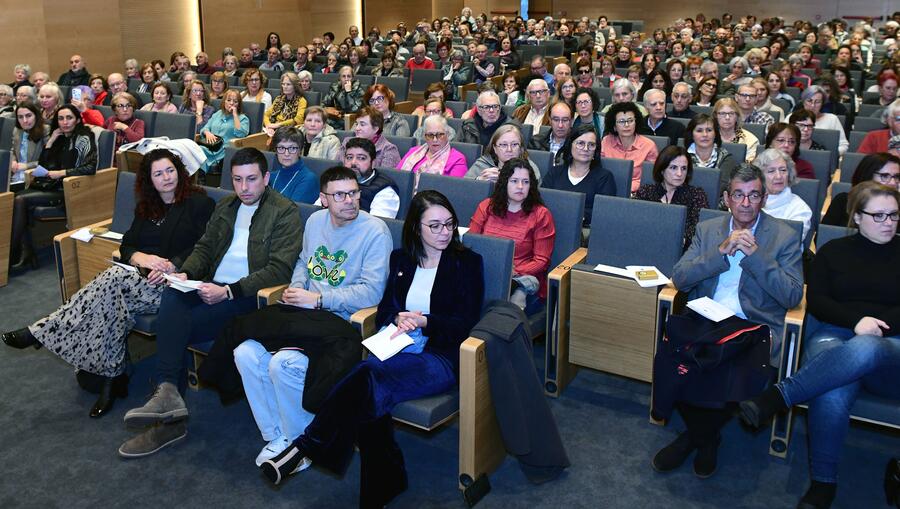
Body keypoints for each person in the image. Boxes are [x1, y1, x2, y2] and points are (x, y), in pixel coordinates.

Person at [260, 189, 483, 508]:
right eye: (434, 226)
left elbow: (466, 322)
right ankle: (384, 485)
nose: (444, 232)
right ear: (416, 227)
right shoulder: (402, 259)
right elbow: (385, 311)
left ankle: (306, 446)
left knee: (365, 376)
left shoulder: (467, 263)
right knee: (369, 397)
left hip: (439, 357)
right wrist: (399, 317)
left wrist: (425, 321)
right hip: (397, 348)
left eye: (449, 224)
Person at [118, 148, 303, 458]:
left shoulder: (284, 211)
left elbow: (279, 269)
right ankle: (168, 395)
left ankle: (169, 415)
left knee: (174, 326)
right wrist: (187, 273)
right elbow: (204, 248)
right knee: (173, 295)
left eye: (252, 179)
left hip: (246, 297)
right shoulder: (227, 205)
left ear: (266, 178)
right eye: (237, 180)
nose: (244, 187)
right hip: (210, 285)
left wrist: (228, 291)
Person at [2, 149, 214, 417]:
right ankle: (111, 379)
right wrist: (141, 257)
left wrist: (172, 265)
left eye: (170, 170)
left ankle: (42, 331)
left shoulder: (199, 203)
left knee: (112, 279)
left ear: (180, 172)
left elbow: (204, 247)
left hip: (176, 285)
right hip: (138, 281)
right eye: (158, 173)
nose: (166, 177)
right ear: (149, 180)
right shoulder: (147, 207)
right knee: (111, 301)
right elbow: (127, 245)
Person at [739, 181, 900, 509]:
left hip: (891, 346)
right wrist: (856, 321)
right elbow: (819, 301)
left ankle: (780, 395)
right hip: (836, 332)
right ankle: (823, 482)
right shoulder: (833, 251)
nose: (889, 222)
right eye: (879, 215)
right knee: (831, 391)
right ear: (857, 217)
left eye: (894, 215)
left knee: (868, 347)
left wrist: (877, 326)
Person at [228, 164, 391, 469]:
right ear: (324, 199)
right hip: (302, 314)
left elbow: (372, 293)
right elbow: (304, 261)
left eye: (353, 193)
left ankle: (301, 445)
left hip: (341, 324)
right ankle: (276, 435)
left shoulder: (374, 231)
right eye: (339, 195)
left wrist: (318, 300)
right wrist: (296, 288)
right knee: (245, 352)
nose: (349, 200)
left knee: (282, 363)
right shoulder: (316, 221)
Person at [652, 163, 803, 479]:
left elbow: (791, 295)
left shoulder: (784, 236)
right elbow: (680, 278)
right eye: (738, 195)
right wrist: (719, 254)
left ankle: (695, 439)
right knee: (671, 358)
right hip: (706, 317)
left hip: (753, 326)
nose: (746, 203)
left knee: (726, 369)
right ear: (726, 198)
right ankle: (706, 437)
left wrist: (756, 256)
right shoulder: (709, 230)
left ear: (763, 199)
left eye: (754, 195)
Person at [10, 104, 97, 271]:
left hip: (68, 189)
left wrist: (61, 173)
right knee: (16, 199)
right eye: (61, 118)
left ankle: (16, 253)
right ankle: (24, 252)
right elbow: (43, 164)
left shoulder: (84, 137)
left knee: (19, 200)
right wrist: (50, 141)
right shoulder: (59, 137)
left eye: (69, 118)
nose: (65, 122)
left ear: (77, 120)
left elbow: (90, 167)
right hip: (51, 185)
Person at [469, 157, 555, 311]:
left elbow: (541, 261)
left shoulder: (541, 214)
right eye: (514, 181)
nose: (520, 186)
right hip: (487, 269)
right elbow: (471, 244)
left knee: (525, 284)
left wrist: (512, 271)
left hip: (523, 274)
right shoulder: (486, 207)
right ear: (504, 183)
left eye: (526, 182)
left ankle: (516, 292)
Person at [542, 123, 617, 227]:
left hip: (585, 230)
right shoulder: (554, 173)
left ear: (596, 150)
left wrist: (574, 216)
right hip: (550, 225)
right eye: (580, 143)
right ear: (570, 145)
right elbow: (541, 203)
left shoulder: (604, 178)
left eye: (591, 145)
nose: (586, 149)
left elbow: (604, 212)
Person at [635, 145, 709, 250]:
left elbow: (700, 231)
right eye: (673, 168)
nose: (679, 174)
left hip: (684, 252)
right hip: (645, 248)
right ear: (662, 169)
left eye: (684, 168)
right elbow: (635, 225)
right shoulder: (646, 193)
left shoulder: (696, 195)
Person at [823, 152, 900, 227]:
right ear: (868, 175)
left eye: (896, 177)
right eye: (885, 176)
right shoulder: (843, 201)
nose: (893, 183)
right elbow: (824, 234)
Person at [756, 148, 813, 240]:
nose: (779, 176)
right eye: (771, 171)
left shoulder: (800, 209)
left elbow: (788, 243)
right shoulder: (748, 201)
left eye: (783, 170)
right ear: (759, 176)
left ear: (789, 174)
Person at [600, 102, 658, 193]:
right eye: (621, 121)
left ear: (636, 123)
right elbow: (600, 170)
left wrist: (629, 188)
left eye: (630, 121)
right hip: (608, 190)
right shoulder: (606, 141)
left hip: (638, 193)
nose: (627, 125)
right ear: (614, 126)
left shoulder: (649, 146)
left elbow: (651, 177)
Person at [398, 114, 467, 184]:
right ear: (425, 136)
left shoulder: (457, 159)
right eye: (430, 135)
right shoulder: (413, 151)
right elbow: (397, 176)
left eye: (440, 135)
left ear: (447, 134)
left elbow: (454, 187)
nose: (435, 140)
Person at [341, 137, 400, 218]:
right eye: (349, 157)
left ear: (373, 163)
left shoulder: (384, 190)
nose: (353, 163)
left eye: (361, 158)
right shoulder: (337, 180)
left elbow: (376, 224)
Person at [684, 113, 737, 195]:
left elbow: (722, 188)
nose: (705, 135)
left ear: (715, 133)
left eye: (709, 130)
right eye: (699, 130)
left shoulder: (726, 158)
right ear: (692, 134)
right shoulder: (682, 157)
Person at [466, 124, 539, 182]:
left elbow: (534, 193)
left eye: (514, 144)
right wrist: (479, 180)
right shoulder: (483, 164)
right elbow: (464, 187)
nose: (509, 149)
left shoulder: (530, 167)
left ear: (521, 148)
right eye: (504, 145)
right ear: (495, 148)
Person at [199, 89, 250, 174]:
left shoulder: (243, 118)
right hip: (209, 147)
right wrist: (207, 133)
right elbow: (205, 128)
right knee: (196, 151)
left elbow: (241, 134)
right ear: (224, 102)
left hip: (224, 151)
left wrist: (235, 115)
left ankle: (202, 175)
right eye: (229, 100)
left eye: (235, 101)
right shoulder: (218, 114)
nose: (231, 103)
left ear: (239, 104)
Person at [787, 85, 849, 154]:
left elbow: (843, 145)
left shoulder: (832, 119)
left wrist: (828, 155)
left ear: (822, 104)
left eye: (817, 102)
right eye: (809, 101)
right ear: (803, 102)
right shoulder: (791, 117)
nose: (813, 105)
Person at [266, 127, 318, 203]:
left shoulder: (309, 179)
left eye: (292, 148)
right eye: (281, 148)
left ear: (300, 150)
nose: (286, 154)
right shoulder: (271, 176)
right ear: (276, 150)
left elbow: (292, 209)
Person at [457, 90, 524, 146]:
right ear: (479, 110)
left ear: (500, 108)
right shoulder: (468, 126)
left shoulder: (511, 128)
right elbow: (456, 149)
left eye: (495, 106)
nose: (491, 110)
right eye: (486, 107)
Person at [8, 102, 48, 191]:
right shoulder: (17, 130)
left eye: (28, 116)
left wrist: (27, 166)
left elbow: (48, 160)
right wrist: (13, 161)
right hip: (15, 175)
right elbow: (13, 150)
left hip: (34, 176)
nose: (25, 120)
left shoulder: (45, 130)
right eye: (20, 117)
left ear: (36, 116)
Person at [714, 97, 758, 162]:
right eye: (722, 113)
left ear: (737, 116)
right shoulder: (707, 136)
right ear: (715, 115)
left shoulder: (750, 140)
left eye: (731, 113)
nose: (727, 117)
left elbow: (749, 166)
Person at [263, 72, 307, 137]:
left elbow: (298, 120)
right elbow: (266, 115)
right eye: (283, 84)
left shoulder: (301, 101)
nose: (285, 87)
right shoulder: (279, 99)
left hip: (289, 132)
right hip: (272, 129)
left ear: (295, 86)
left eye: (288, 84)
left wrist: (278, 125)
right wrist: (268, 126)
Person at [529, 100, 573, 164]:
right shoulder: (535, 142)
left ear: (571, 121)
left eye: (565, 120)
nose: (560, 125)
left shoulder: (577, 145)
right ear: (550, 120)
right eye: (556, 120)